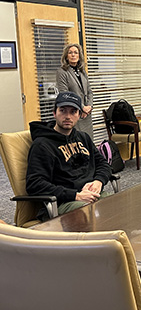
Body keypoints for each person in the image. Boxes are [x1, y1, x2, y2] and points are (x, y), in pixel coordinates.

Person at [26, 92, 112, 221]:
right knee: (92, 216)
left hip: (92, 195)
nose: (67, 116)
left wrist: (98, 181)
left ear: (79, 115)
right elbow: (34, 184)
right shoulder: (42, 145)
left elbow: (103, 164)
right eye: (63, 111)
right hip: (64, 202)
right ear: (54, 113)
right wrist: (75, 195)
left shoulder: (83, 138)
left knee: (118, 208)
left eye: (73, 112)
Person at [56, 43, 94, 138]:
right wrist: (81, 108)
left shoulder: (82, 71)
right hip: (74, 113)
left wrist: (89, 107)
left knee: (89, 142)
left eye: (76, 53)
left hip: (86, 115)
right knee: (77, 141)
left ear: (79, 56)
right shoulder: (62, 72)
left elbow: (89, 91)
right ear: (66, 56)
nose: (73, 55)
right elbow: (64, 94)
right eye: (70, 53)